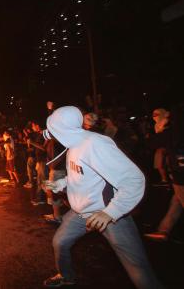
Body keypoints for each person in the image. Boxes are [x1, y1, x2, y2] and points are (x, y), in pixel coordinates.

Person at [42, 106, 163, 288]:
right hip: (80, 213)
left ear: (61, 128)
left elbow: (133, 180)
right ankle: (66, 277)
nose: (50, 134)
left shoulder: (95, 144)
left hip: (108, 214)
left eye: (53, 128)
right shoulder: (73, 144)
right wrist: (60, 184)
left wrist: (110, 212)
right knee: (60, 242)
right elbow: (80, 174)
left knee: (137, 266)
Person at [144, 105, 184, 242]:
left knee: (180, 199)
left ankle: (163, 231)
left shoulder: (172, 131)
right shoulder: (175, 131)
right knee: (177, 202)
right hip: (178, 173)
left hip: (180, 174)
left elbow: (151, 143)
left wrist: (159, 129)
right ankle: (163, 230)